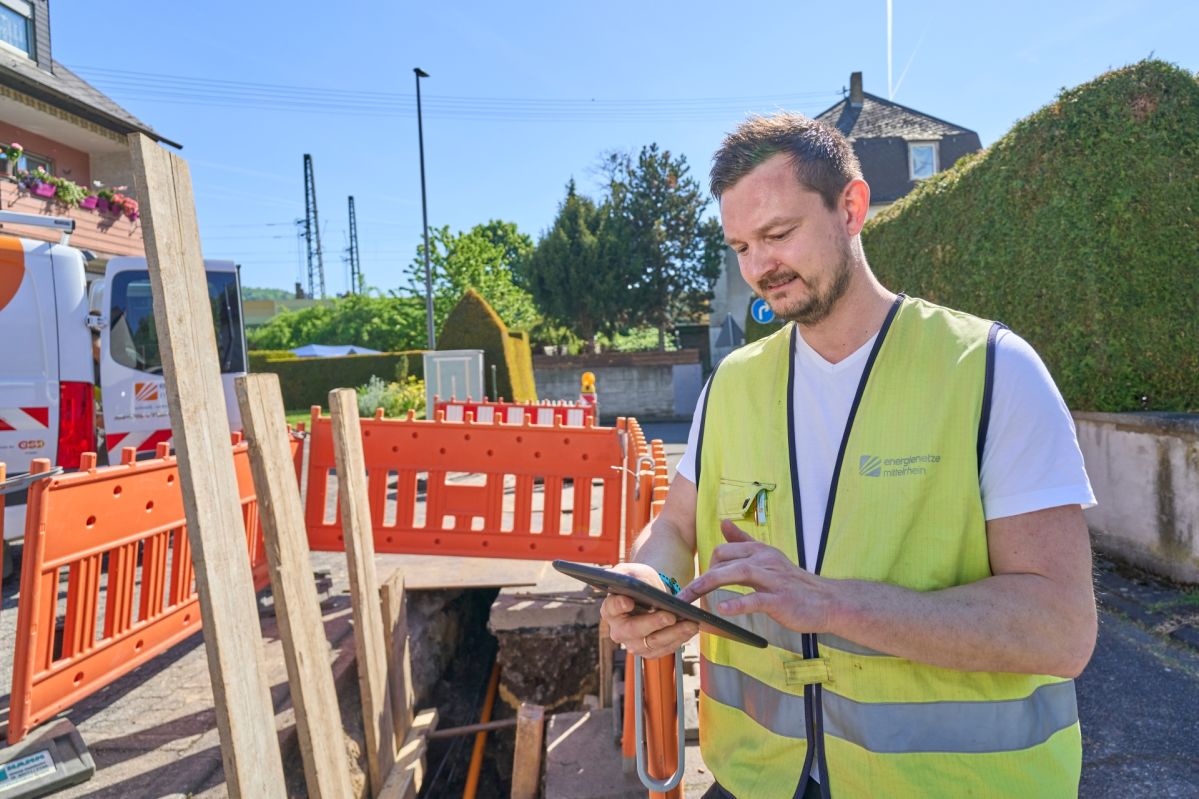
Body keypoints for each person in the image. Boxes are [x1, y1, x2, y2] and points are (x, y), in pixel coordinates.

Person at [601, 113, 1098, 799]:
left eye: (778, 234)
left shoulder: (991, 369)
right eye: (740, 245)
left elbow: (1060, 628)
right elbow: (677, 526)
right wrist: (649, 578)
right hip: (757, 778)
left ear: (852, 207)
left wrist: (830, 603)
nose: (758, 268)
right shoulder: (732, 384)